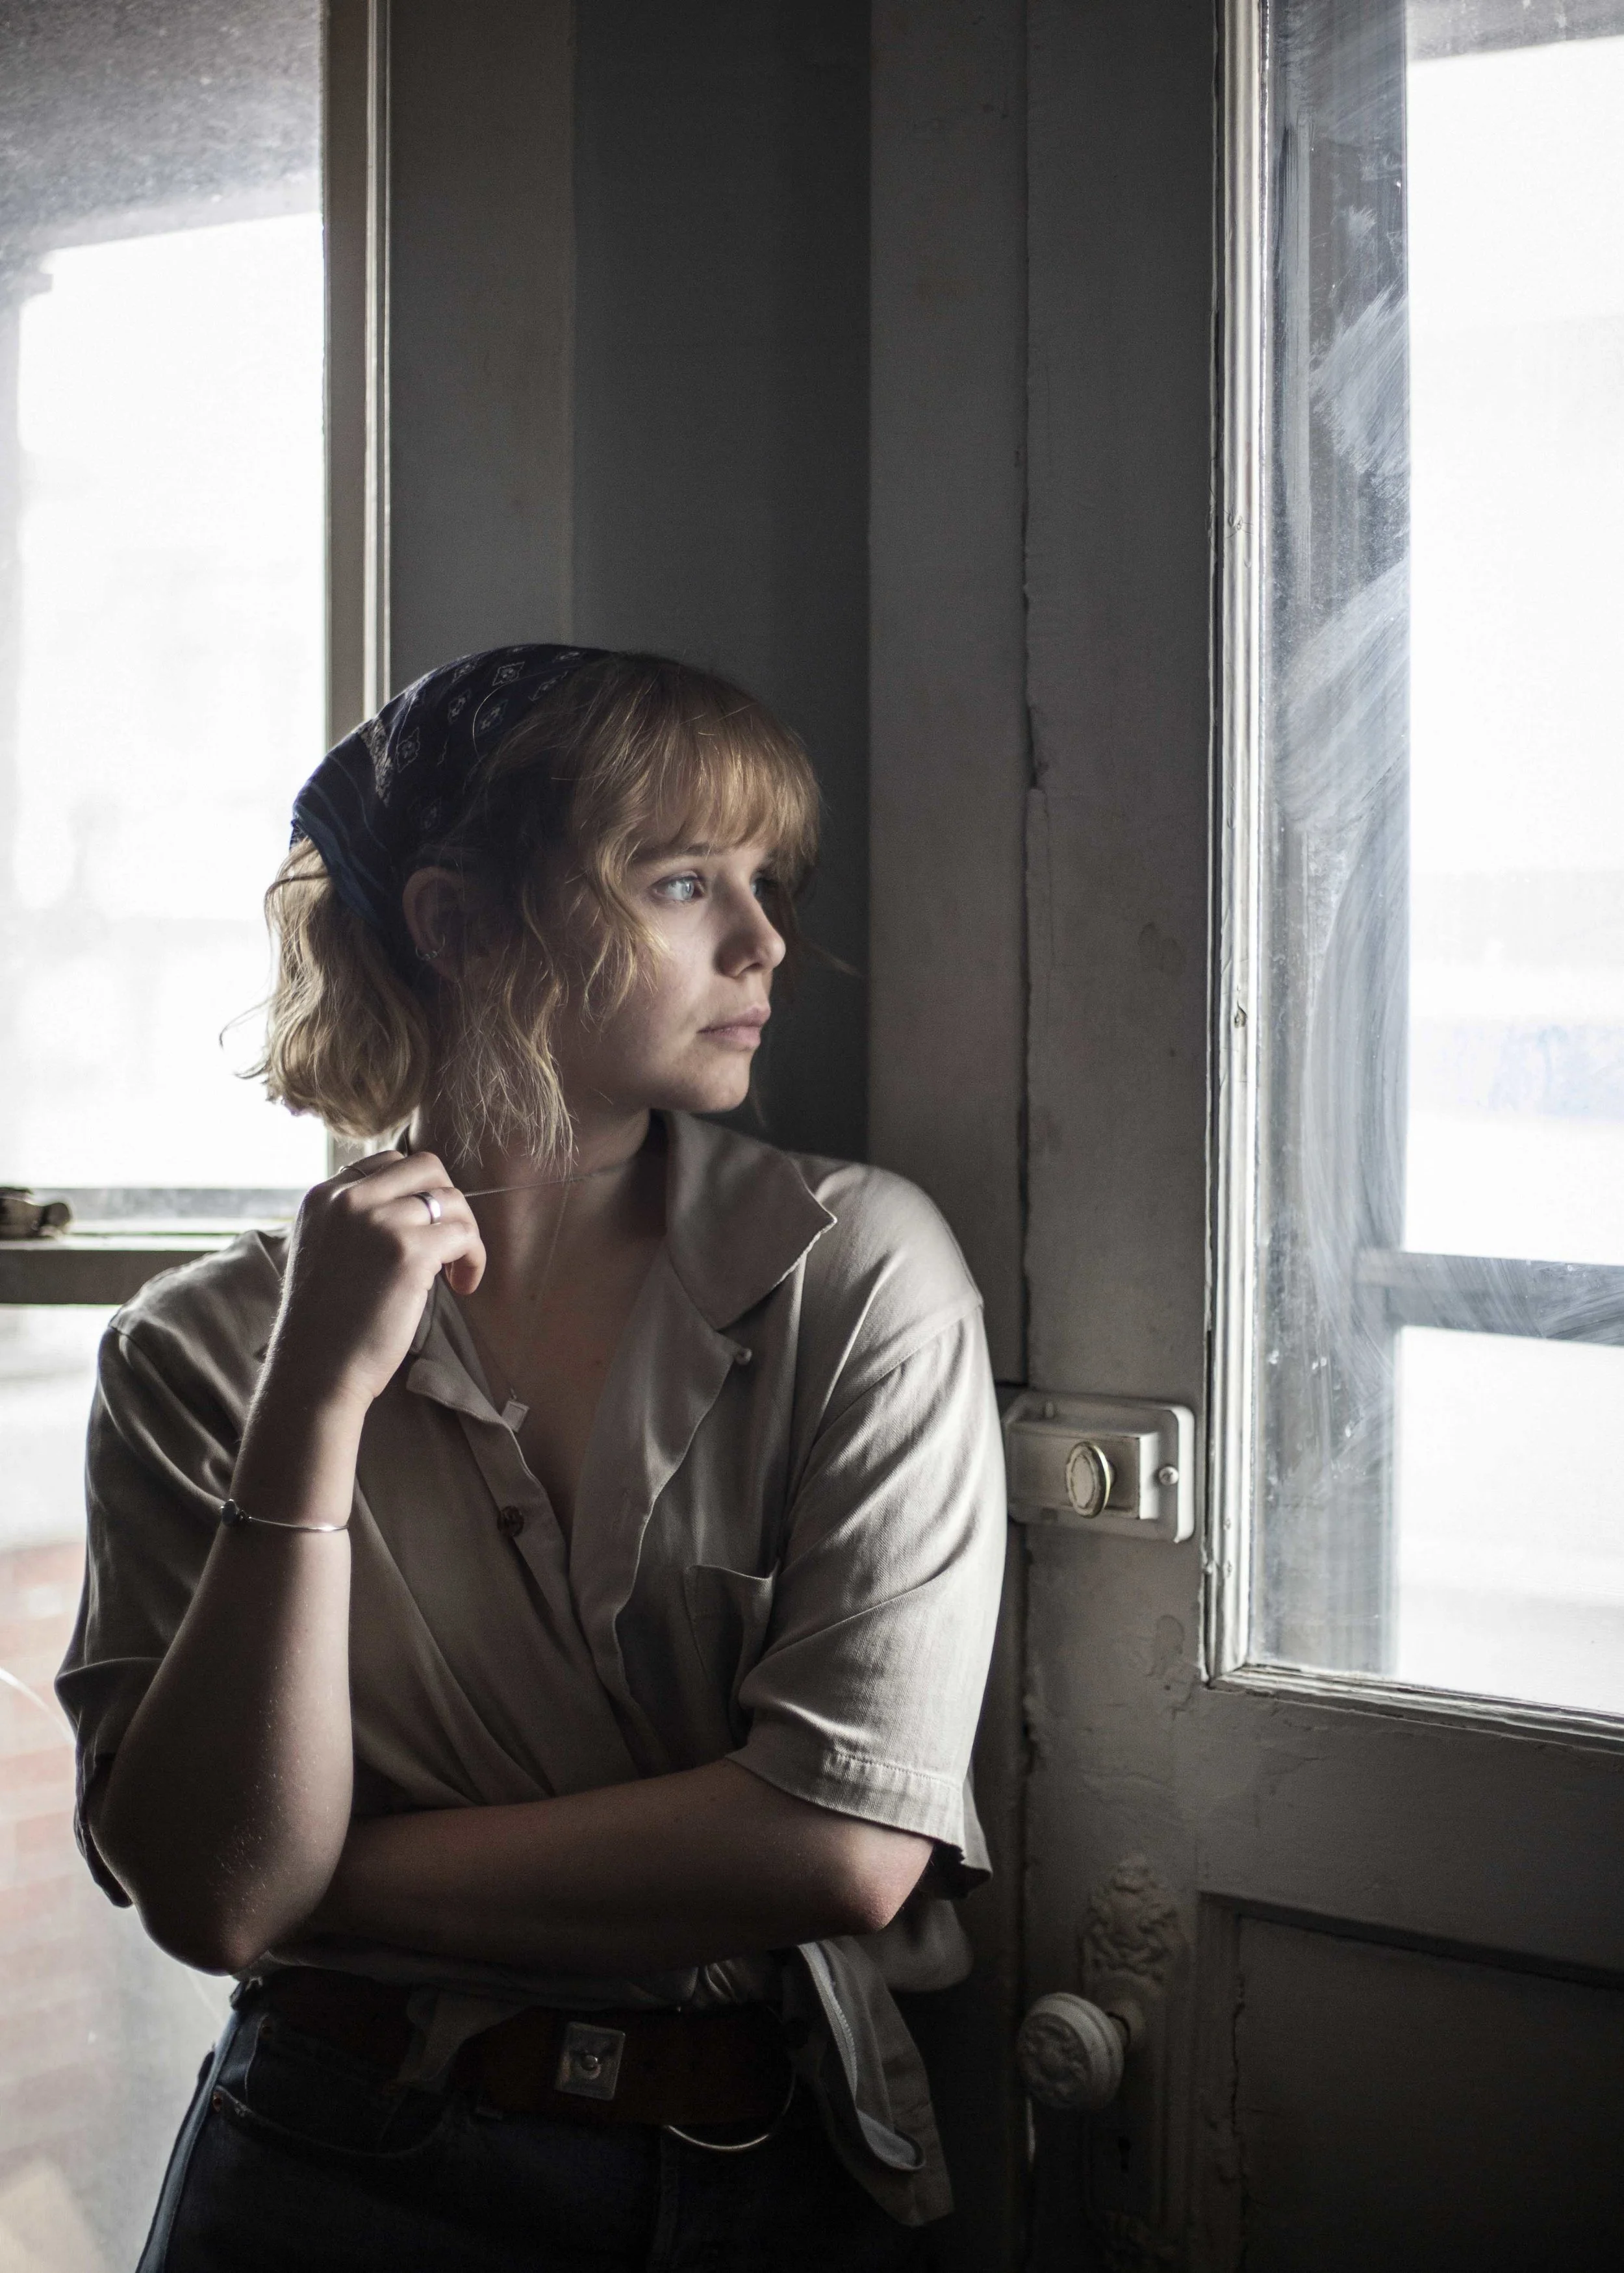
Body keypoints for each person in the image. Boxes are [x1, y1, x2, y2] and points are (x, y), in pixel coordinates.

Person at [57, 645, 1006, 2272]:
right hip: (315, 2170)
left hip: (750, 2175)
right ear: (455, 921)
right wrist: (312, 1414)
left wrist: (323, 1886)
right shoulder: (196, 1355)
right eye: (682, 881)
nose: (764, 941)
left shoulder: (851, 1268)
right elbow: (215, 1904)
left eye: (763, 881)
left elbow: (842, 1845)